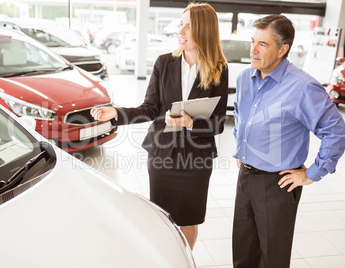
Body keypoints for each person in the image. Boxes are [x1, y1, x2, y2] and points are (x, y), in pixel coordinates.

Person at [91, 3, 228, 249]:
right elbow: (150, 108)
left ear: (204, 30)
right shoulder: (164, 63)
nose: (181, 30)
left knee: (188, 220)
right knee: (162, 218)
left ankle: (184, 262)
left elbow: (218, 123)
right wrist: (116, 113)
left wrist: (189, 122)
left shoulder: (219, 69)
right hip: (163, 156)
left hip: (196, 159)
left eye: (188, 25)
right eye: (181, 23)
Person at [232, 14, 345, 268]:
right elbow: (240, 115)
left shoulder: (303, 87)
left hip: (278, 184)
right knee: (242, 255)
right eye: (252, 41)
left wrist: (312, 173)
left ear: (283, 49)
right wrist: (242, 147)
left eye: (263, 44)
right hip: (246, 179)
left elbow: (336, 131)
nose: (253, 50)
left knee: (272, 259)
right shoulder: (244, 79)